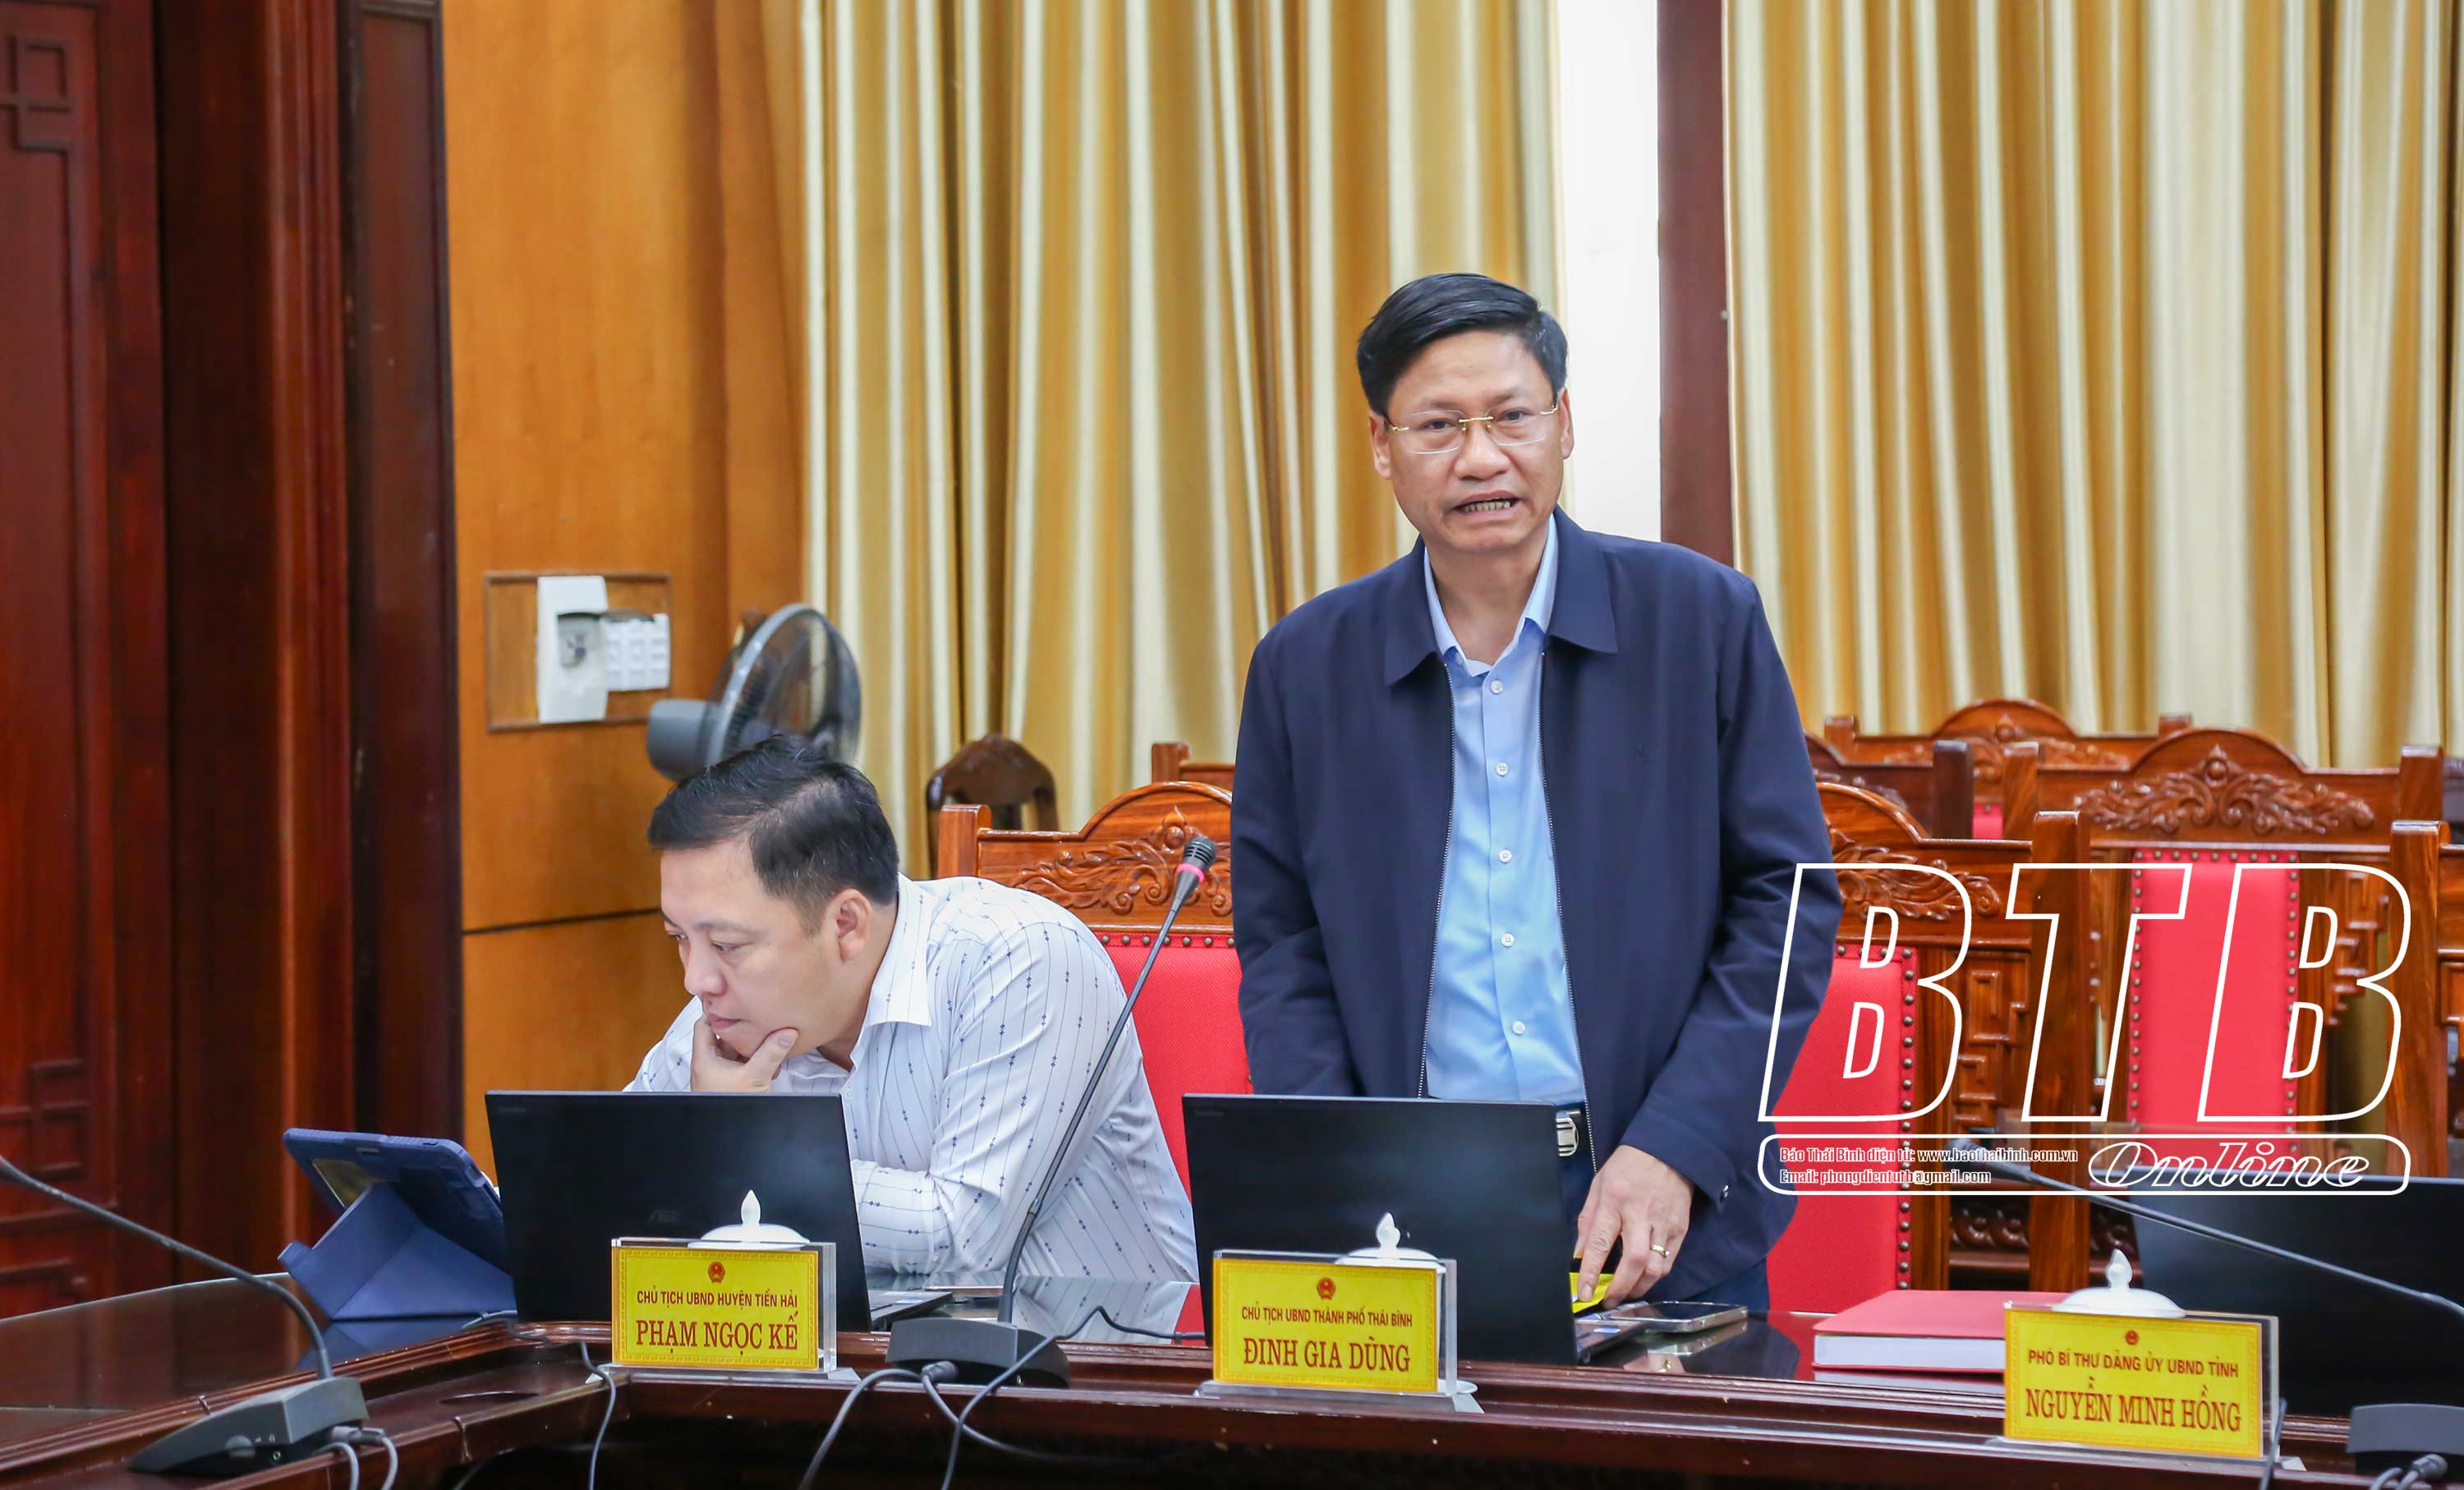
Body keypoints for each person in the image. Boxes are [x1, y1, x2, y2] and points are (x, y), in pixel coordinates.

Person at [1231, 272, 1839, 1310]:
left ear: (1563, 423)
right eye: (1438, 425)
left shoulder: (1699, 620)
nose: (1481, 458)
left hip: (1660, 1196)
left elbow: (1785, 905)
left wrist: (1679, 1142)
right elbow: (1284, 946)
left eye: (1511, 416)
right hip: (1404, 1207)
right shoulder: (1307, 665)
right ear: (1381, 445)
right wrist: (1341, 1167)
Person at [626, 738, 1197, 1283]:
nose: (696, 979)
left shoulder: (1020, 959)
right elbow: (618, 1186)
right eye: (679, 938)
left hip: (1099, 1345)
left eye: (726, 945)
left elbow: (964, 1237)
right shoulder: (725, 1014)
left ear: (845, 924)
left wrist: (742, 1147)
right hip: (853, 1350)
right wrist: (711, 1149)